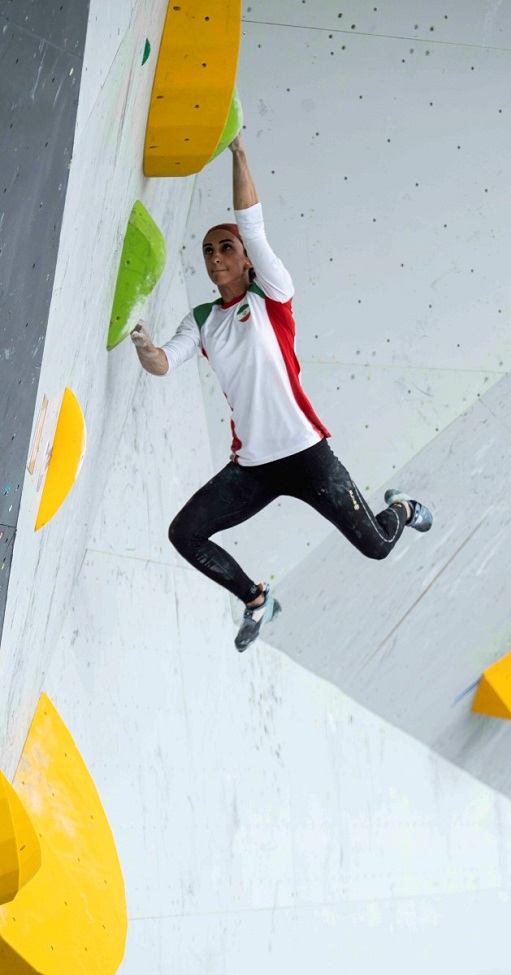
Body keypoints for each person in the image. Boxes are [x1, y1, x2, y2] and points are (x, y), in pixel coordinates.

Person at [131, 133, 432, 651]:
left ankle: (401, 507)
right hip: (253, 467)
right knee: (185, 534)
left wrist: (239, 153)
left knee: (379, 548)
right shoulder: (203, 320)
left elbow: (251, 223)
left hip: (307, 453)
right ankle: (256, 600)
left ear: (248, 261)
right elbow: (162, 363)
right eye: (207, 251)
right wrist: (141, 341)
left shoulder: (271, 296)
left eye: (226, 248)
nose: (216, 256)